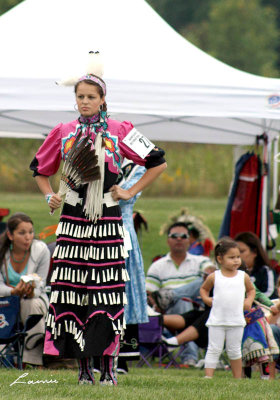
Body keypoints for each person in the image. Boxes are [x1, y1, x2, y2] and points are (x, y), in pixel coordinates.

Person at [29, 64, 166, 385]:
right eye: (80, 96)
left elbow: (157, 161)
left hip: (106, 218)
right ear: (74, 99)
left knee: (106, 293)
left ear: (103, 99)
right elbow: (39, 168)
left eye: (91, 97)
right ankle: (83, 371)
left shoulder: (120, 129)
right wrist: (49, 195)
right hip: (74, 220)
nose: (85, 102)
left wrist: (130, 190)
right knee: (73, 292)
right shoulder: (63, 131)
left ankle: (107, 370)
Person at [146, 221, 210, 365]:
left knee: (205, 279)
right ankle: (189, 358)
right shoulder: (158, 266)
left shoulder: (200, 261)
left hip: (199, 309)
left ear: (189, 240)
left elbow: (211, 271)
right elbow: (149, 295)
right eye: (174, 236)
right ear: (168, 240)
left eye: (183, 236)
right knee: (182, 302)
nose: (179, 239)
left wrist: (209, 273)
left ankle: (172, 295)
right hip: (169, 313)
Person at [200, 237, 255, 379]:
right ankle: (208, 376)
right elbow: (204, 289)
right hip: (217, 320)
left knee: (235, 350)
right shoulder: (214, 276)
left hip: (236, 321)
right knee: (214, 349)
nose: (236, 260)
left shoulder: (243, 277)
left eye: (238, 257)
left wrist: (249, 301)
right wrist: (206, 299)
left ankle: (237, 377)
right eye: (231, 257)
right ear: (220, 259)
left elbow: (251, 290)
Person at [0, 212, 50, 366]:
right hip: (6, 299)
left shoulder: (41, 250)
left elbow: (41, 286)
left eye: (30, 232)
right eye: (22, 233)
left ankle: (32, 360)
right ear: (10, 235)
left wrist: (30, 291)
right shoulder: (2, 252)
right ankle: (4, 355)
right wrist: (13, 292)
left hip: (34, 299)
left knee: (31, 303)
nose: (28, 237)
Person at [117, 160, 148, 374]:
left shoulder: (136, 166)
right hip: (92, 233)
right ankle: (93, 353)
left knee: (123, 290)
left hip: (121, 234)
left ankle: (120, 358)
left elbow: (127, 194)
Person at [235, 231, 278, 299]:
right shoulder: (233, 273)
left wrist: (248, 300)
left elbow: (270, 294)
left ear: (254, 252)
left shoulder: (266, 271)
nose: (237, 255)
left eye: (242, 251)